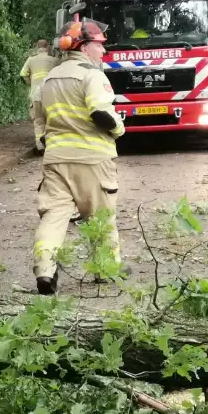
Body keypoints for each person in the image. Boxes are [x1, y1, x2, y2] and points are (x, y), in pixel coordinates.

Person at [31, 19, 125, 295]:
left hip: (56, 159)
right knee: (101, 217)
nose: (103, 52)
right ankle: (105, 270)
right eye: (99, 45)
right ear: (84, 47)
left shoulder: (49, 78)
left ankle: (45, 270)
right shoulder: (92, 75)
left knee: (53, 216)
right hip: (92, 158)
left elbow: (38, 117)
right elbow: (100, 113)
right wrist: (119, 129)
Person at [20, 39, 60, 152]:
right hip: (51, 95)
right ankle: (51, 145)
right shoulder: (55, 60)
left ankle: (40, 146)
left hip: (36, 94)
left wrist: (29, 82)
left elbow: (22, 74)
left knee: (38, 121)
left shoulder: (31, 60)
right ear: (47, 47)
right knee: (52, 120)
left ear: (37, 47)